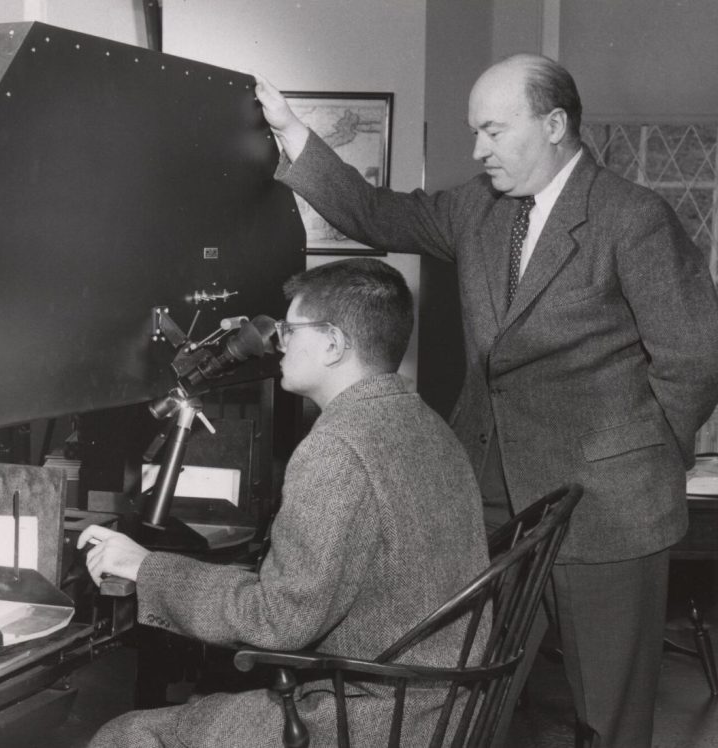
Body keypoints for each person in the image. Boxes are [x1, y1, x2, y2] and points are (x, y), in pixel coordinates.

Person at [254, 54, 718, 747]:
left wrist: (646, 458)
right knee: (471, 700)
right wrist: (291, 131)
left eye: (495, 132)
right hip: (494, 504)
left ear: (555, 124)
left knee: (610, 722)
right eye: (477, 132)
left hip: (609, 513)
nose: (478, 149)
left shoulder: (633, 219)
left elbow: (695, 356)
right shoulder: (478, 207)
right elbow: (378, 215)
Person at [78, 258, 490, 747]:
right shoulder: (426, 422)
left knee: (126, 734)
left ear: (334, 345)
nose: (279, 341)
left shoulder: (337, 448)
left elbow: (277, 622)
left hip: (377, 720)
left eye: (292, 330)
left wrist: (145, 566)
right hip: (448, 705)